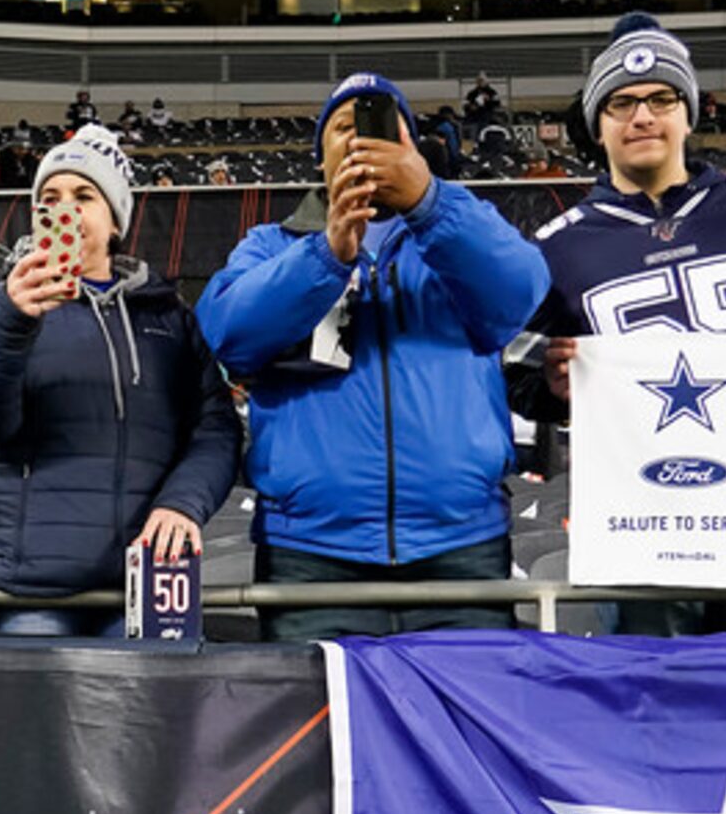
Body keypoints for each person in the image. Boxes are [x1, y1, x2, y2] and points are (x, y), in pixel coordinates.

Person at [524, 19, 726, 635]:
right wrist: (553, 384)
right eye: (621, 103)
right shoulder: (558, 248)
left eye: (660, 98)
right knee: (655, 714)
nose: (641, 116)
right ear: (599, 125)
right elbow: (517, 377)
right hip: (637, 529)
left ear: (688, 112)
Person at [196, 71, 549, 642]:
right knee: (325, 731)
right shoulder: (270, 245)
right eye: (342, 127)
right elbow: (230, 334)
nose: (359, 138)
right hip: (311, 555)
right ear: (321, 159)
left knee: (457, 729)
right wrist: (327, 254)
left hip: (460, 549)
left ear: (412, 148)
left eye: (383, 126)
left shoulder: (461, 228)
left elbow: (519, 293)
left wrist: (430, 204)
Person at [0, 125, 239, 637]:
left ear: (116, 219)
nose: (65, 209)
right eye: (49, 198)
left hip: (144, 584)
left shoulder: (168, 316)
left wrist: (182, 503)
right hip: (28, 591)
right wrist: (15, 324)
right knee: (35, 718)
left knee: (153, 718)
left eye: (84, 196)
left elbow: (216, 430)